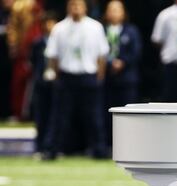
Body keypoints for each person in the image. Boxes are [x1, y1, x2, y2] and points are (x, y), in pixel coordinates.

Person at [42, 0, 109, 160]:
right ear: (68, 7)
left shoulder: (95, 27)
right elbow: (53, 55)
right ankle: (51, 150)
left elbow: (102, 54)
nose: (76, 8)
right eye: (72, 5)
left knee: (94, 116)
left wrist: (99, 75)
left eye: (78, 5)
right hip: (66, 77)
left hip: (88, 76)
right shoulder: (59, 28)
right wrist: (56, 76)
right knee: (59, 116)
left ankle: (99, 150)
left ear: (85, 7)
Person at [103, 0, 141, 148]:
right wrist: (108, 63)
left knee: (128, 115)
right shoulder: (101, 30)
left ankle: (129, 145)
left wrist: (123, 62)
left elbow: (136, 52)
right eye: (111, 9)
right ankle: (108, 145)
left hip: (127, 79)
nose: (114, 13)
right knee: (107, 113)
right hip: (107, 78)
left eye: (117, 10)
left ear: (123, 13)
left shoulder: (131, 31)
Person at [30, 11, 57, 153]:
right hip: (41, 84)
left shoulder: (60, 41)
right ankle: (40, 146)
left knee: (56, 116)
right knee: (41, 115)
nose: (49, 26)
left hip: (56, 84)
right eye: (46, 23)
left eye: (51, 23)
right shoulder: (38, 43)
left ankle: (53, 146)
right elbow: (34, 62)